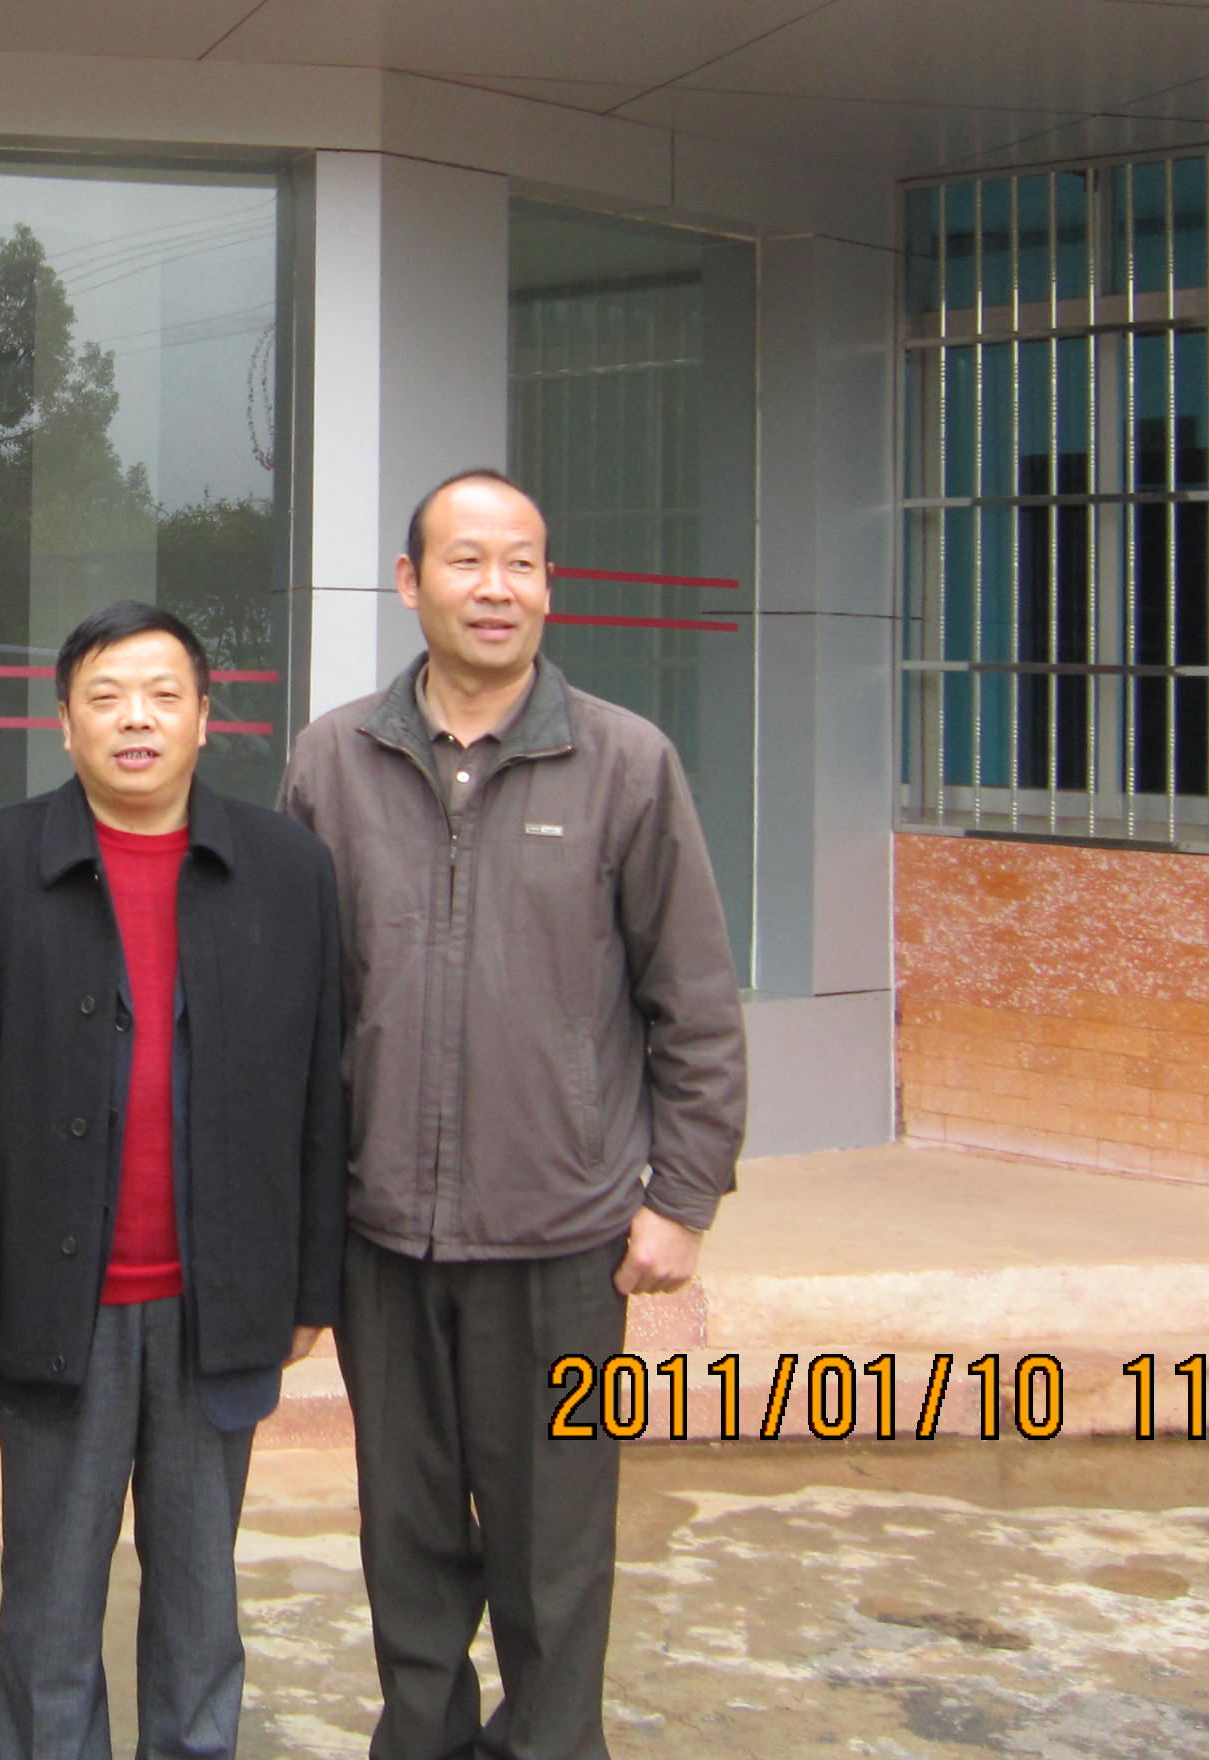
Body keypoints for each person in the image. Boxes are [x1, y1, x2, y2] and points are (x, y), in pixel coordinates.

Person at [280, 471, 747, 1760]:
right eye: (467, 561)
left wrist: (681, 1199)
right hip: (382, 1235)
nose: (496, 589)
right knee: (407, 1538)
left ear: (549, 586)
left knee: (556, 1549)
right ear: (409, 581)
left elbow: (694, 1001)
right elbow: (297, 1005)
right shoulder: (333, 760)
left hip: (563, 1240)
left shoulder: (626, 762)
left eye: (522, 563)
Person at [0, 600, 346, 1760]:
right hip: (51, 1302)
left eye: (164, 697)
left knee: (201, 1607)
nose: (136, 720)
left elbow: (325, 1084)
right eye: (106, 697)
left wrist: (309, 1283)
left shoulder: (286, 868)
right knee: (49, 1612)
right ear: (63, 721)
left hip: (218, 1301)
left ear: (206, 719)